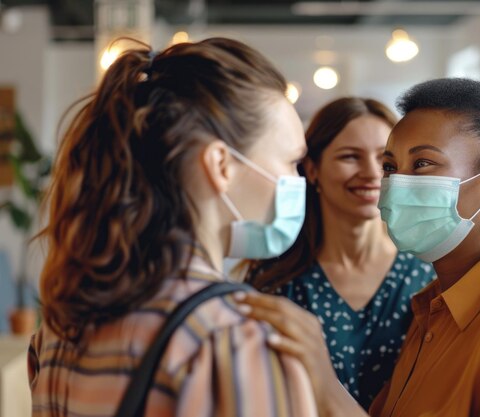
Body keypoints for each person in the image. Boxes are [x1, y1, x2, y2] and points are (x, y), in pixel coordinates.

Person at [234, 78, 480, 417]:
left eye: (422, 164)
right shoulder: (432, 313)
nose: (392, 183)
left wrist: (324, 382)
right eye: (391, 167)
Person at [28, 38, 317, 417]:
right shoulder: (234, 339)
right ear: (221, 166)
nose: (300, 181)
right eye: (292, 162)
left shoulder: (59, 329)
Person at [245, 97, 435, 409]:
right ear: (312, 169)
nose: (372, 173)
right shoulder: (276, 284)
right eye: (350, 157)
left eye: (386, 161)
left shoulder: (430, 278)